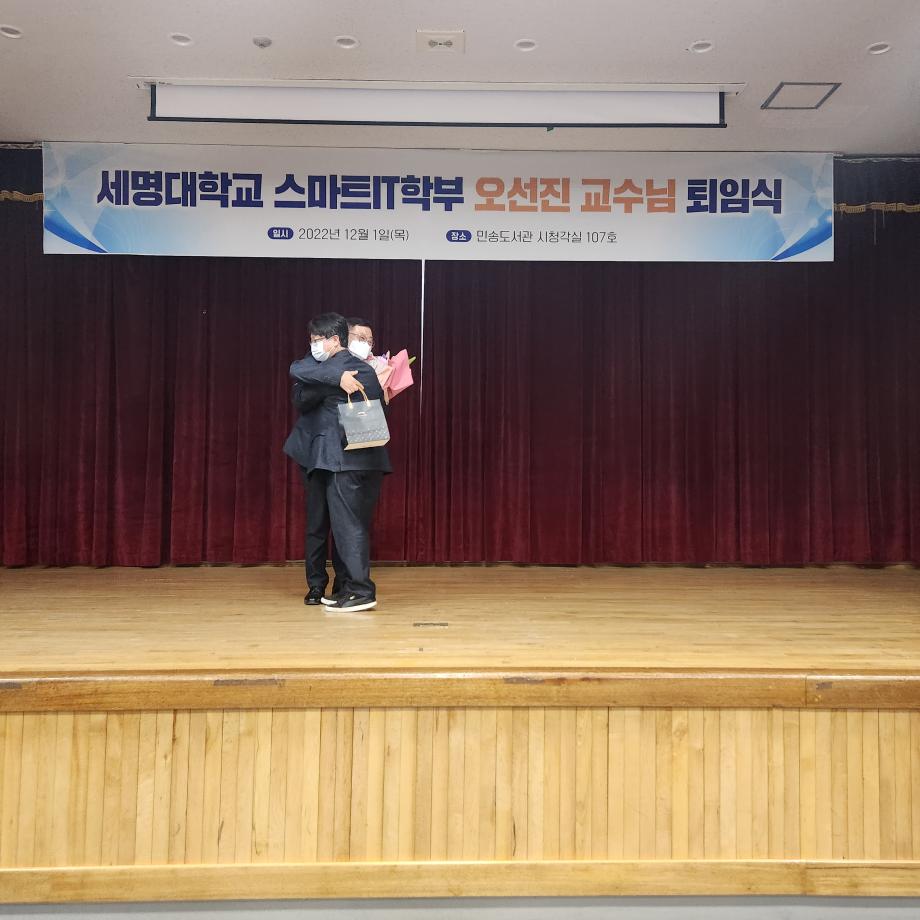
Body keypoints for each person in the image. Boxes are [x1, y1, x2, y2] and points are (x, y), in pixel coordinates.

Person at [284, 312, 390, 612]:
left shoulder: (349, 368)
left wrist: (328, 379)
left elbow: (300, 378)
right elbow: (298, 376)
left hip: (346, 459)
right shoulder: (352, 369)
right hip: (352, 458)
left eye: (317, 341)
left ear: (333, 340)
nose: (314, 347)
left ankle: (361, 591)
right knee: (347, 525)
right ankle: (348, 590)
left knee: (348, 526)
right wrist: (335, 380)